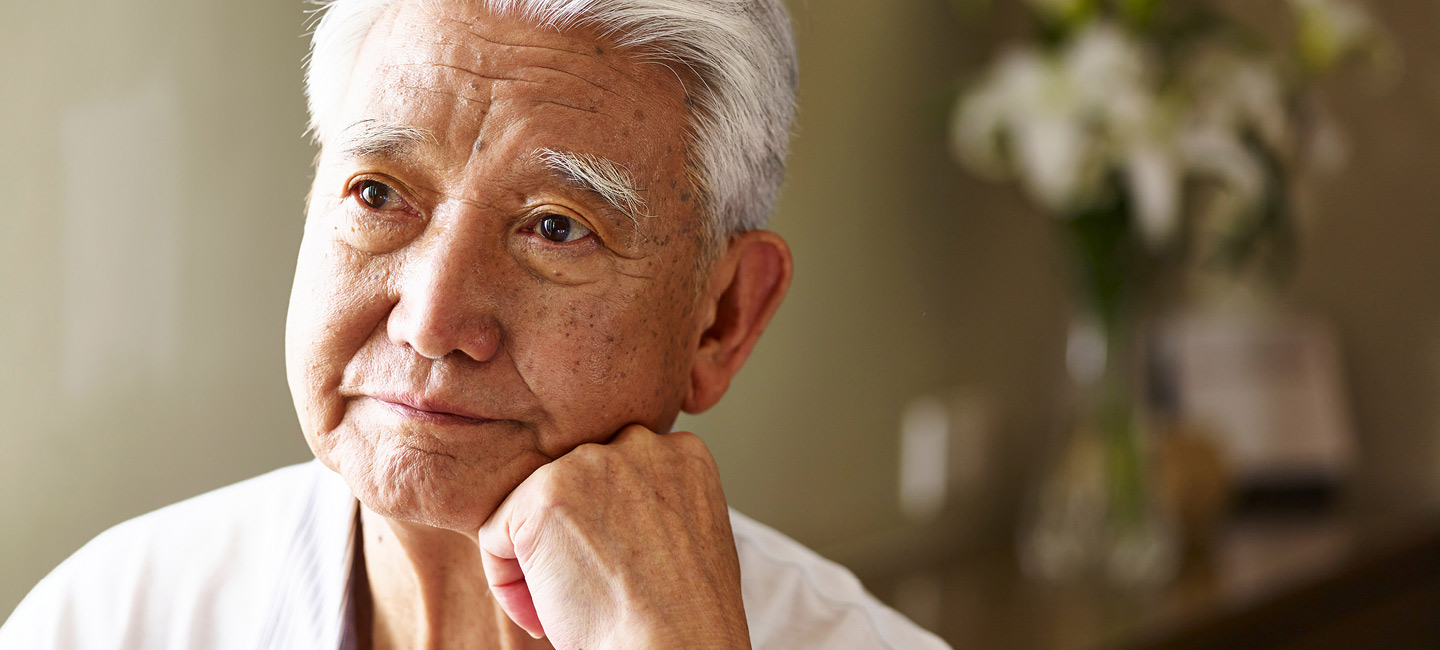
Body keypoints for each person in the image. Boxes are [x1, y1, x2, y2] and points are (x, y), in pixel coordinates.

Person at [0, 1, 951, 648]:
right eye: (377, 193)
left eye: (555, 227)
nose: (431, 320)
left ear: (724, 320)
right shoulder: (109, 620)